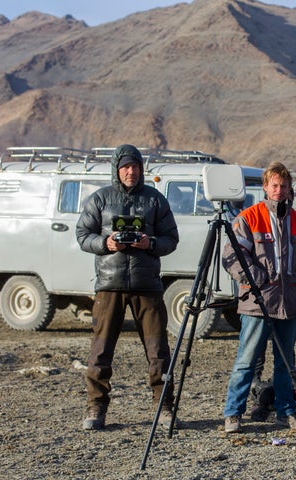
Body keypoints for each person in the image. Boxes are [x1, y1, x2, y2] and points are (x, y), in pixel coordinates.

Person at [76, 144, 180, 430]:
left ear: (141, 169)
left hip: (148, 285)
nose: (131, 172)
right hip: (110, 285)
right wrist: (105, 244)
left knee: (158, 350)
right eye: (125, 167)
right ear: (116, 169)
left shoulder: (155, 200)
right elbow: (83, 234)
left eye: (135, 166)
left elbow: (171, 238)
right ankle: (96, 408)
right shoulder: (100, 199)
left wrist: (151, 244)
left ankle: (164, 407)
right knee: (101, 350)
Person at [221, 162, 296, 433]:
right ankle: (233, 413)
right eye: (274, 185)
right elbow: (232, 256)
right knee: (246, 360)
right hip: (257, 302)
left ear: (290, 189)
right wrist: (257, 280)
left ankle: (285, 412)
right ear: (265, 187)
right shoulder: (248, 217)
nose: (279, 190)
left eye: (284, 186)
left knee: (286, 363)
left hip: (291, 304)